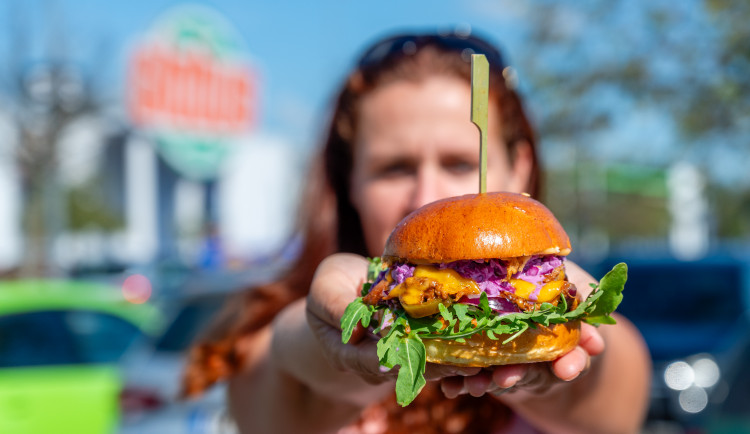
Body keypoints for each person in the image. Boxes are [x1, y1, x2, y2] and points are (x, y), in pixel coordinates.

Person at [182, 31, 651, 433]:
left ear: (521, 168)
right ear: (350, 183)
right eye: (394, 168)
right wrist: (336, 330)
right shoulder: (258, 352)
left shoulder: (582, 307)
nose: (425, 195)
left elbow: (606, 393)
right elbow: (289, 371)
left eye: (460, 163)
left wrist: (555, 332)